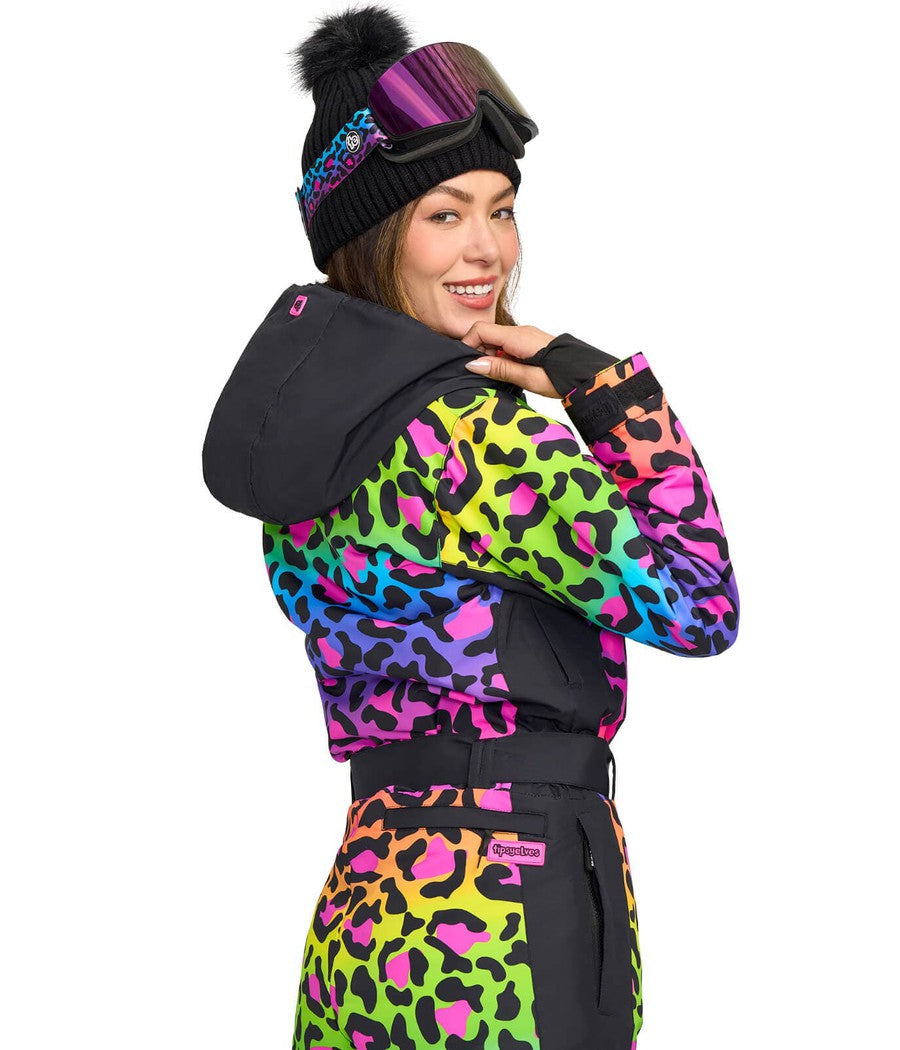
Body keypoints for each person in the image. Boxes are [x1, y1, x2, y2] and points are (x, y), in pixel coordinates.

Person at [201, 5, 740, 1048]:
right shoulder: (473, 435)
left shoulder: (314, 435)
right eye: (444, 215)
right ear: (370, 235)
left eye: (502, 209)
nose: (487, 248)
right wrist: (610, 396)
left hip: (371, 908)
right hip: (506, 912)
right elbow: (700, 604)